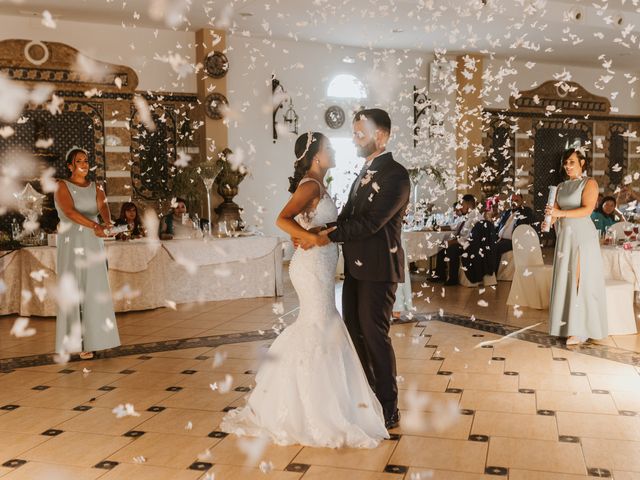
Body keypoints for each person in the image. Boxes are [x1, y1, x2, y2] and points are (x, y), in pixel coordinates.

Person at [220, 131, 389, 448]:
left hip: (321, 265)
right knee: (318, 324)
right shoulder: (310, 185)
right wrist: (308, 238)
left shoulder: (318, 184)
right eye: (329, 149)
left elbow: (308, 222)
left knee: (323, 324)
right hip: (311, 266)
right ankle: (309, 408)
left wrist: (313, 233)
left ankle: (322, 400)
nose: (333, 152)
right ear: (316, 156)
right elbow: (282, 219)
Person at [53, 147, 121, 360]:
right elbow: (70, 212)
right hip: (72, 242)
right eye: (79, 160)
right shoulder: (62, 186)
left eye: (86, 159)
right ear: (70, 166)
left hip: (93, 243)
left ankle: (99, 339)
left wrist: (108, 222)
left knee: (95, 288)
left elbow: (102, 207)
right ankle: (78, 342)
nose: (84, 163)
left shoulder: (97, 186)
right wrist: (95, 225)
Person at [544, 148, 608, 345]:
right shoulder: (561, 186)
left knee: (580, 280)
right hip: (565, 237)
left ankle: (582, 329)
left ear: (582, 163)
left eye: (572, 162)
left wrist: (560, 214)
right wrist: (550, 218)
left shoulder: (589, 183)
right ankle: (565, 325)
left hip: (582, 236)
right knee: (566, 279)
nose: (568, 165)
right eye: (566, 162)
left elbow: (587, 209)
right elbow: (555, 212)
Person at [433, 194, 481, 285]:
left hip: (471, 245)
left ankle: (453, 278)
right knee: (442, 245)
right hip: (464, 241)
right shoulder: (468, 216)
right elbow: (455, 226)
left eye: (461, 205)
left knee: (452, 248)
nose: (459, 207)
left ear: (467, 205)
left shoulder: (475, 217)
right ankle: (440, 275)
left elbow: (468, 238)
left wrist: (453, 242)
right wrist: (440, 227)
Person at [494, 193, 533, 274]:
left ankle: (492, 274)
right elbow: (498, 227)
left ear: (521, 201)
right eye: (511, 200)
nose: (513, 202)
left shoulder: (526, 212)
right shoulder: (506, 212)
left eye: (516, 200)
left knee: (496, 247)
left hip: (513, 241)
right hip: (499, 238)